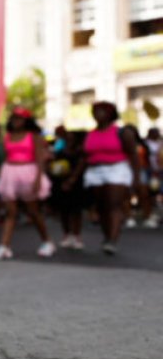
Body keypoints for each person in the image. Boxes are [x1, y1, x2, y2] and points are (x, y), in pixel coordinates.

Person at [70, 102, 139, 254]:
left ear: (110, 113)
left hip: (117, 169)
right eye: (95, 111)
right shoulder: (91, 134)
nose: (98, 114)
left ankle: (112, 240)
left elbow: (133, 155)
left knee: (113, 204)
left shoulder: (122, 132)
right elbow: (84, 157)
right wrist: (74, 177)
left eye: (102, 111)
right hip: (95, 171)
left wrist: (136, 178)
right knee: (101, 207)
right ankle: (107, 236)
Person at [0, 108, 53, 260]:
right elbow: (7, 156)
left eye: (19, 118)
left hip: (28, 172)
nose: (16, 121)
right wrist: (2, 174)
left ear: (27, 121)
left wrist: (38, 179)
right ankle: (4, 246)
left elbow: (40, 158)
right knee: (10, 212)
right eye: (14, 118)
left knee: (33, 211)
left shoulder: (34, 136)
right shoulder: (8, 136)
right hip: (10, 172)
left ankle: (47, 242)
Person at [48, 130, 87, 249]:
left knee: (76, 210)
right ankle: (67, 234)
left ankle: (76, 235)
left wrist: (72, 179)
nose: (69, 140)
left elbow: (81, 166)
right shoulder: (60, 152)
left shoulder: (80, 153)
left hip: (76, 184)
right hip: (60, 183)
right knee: (64, 210)